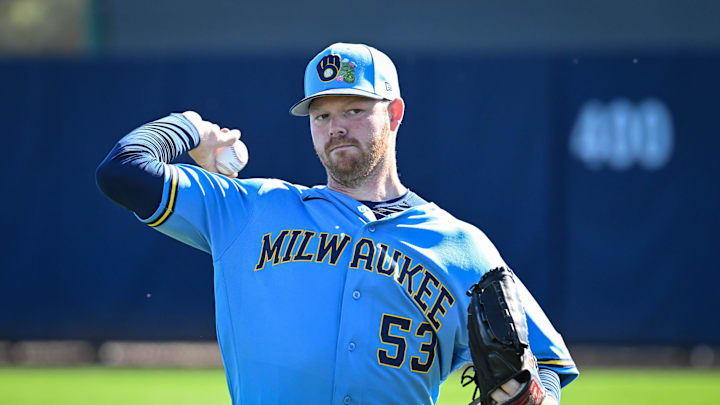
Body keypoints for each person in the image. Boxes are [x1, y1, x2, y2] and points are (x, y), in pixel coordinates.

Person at [96, 42, 578, 405]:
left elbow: (549, 367)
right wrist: (190, 127)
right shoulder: (252, 209)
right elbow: (122, 172)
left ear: (394, 114)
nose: (336, 127)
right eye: (321, 114)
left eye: (353, 109)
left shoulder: (461, 246)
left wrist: (532, 393)